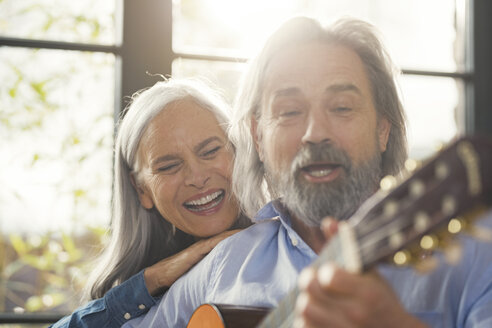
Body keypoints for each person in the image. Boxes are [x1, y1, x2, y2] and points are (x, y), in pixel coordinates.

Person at [123, 17, 492, 328]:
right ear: (258, 137)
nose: (316, 132)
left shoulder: (479, 254)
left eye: (342, 106)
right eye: (289, 111)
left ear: (383, 128)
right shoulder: (222, 266)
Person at [50, 78, 250, 327]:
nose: (197, 178)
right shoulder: (151, 297)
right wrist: (151, 280)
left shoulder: (290, 241)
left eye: (210, 151)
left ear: (238, 150)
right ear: (141, 189)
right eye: (168, 166)